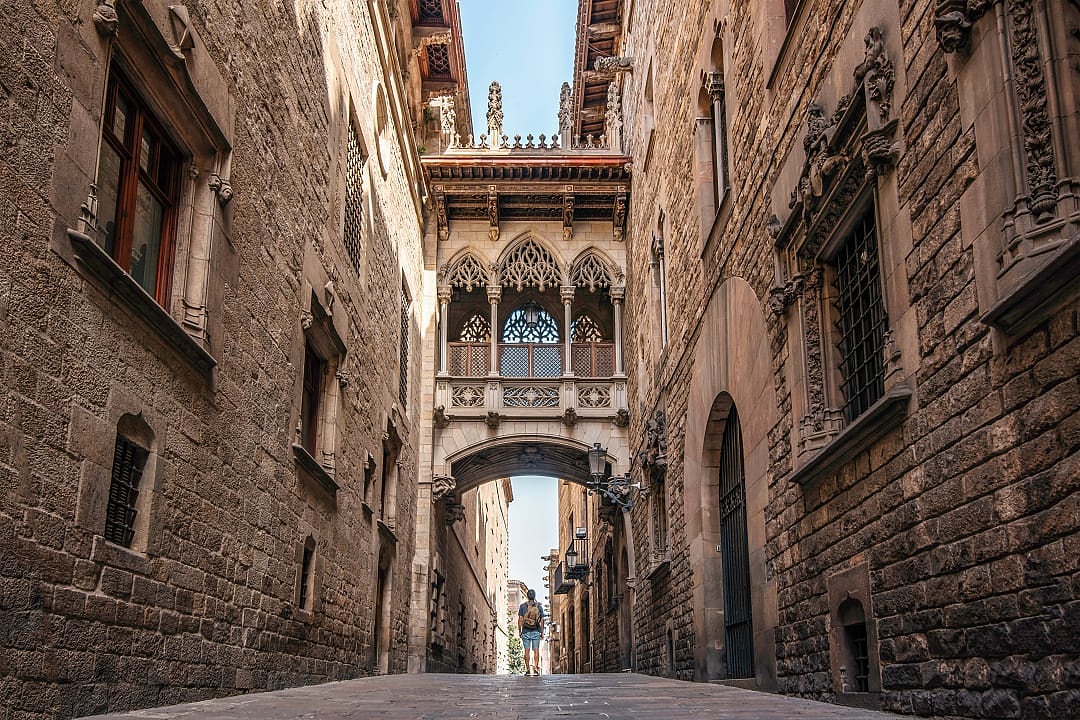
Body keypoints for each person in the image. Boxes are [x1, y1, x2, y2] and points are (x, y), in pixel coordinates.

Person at [517, 588, 545, 676]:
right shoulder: (539, 606)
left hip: (525, 631)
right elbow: (542, 620)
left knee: (527, 650)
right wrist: (542, 632)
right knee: (536, 650)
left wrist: (520, 631)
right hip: (536, 631)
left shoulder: (522, 606)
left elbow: (520, 620)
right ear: (534, 596)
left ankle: (528, 669)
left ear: (527, 596)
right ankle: (536, 668)